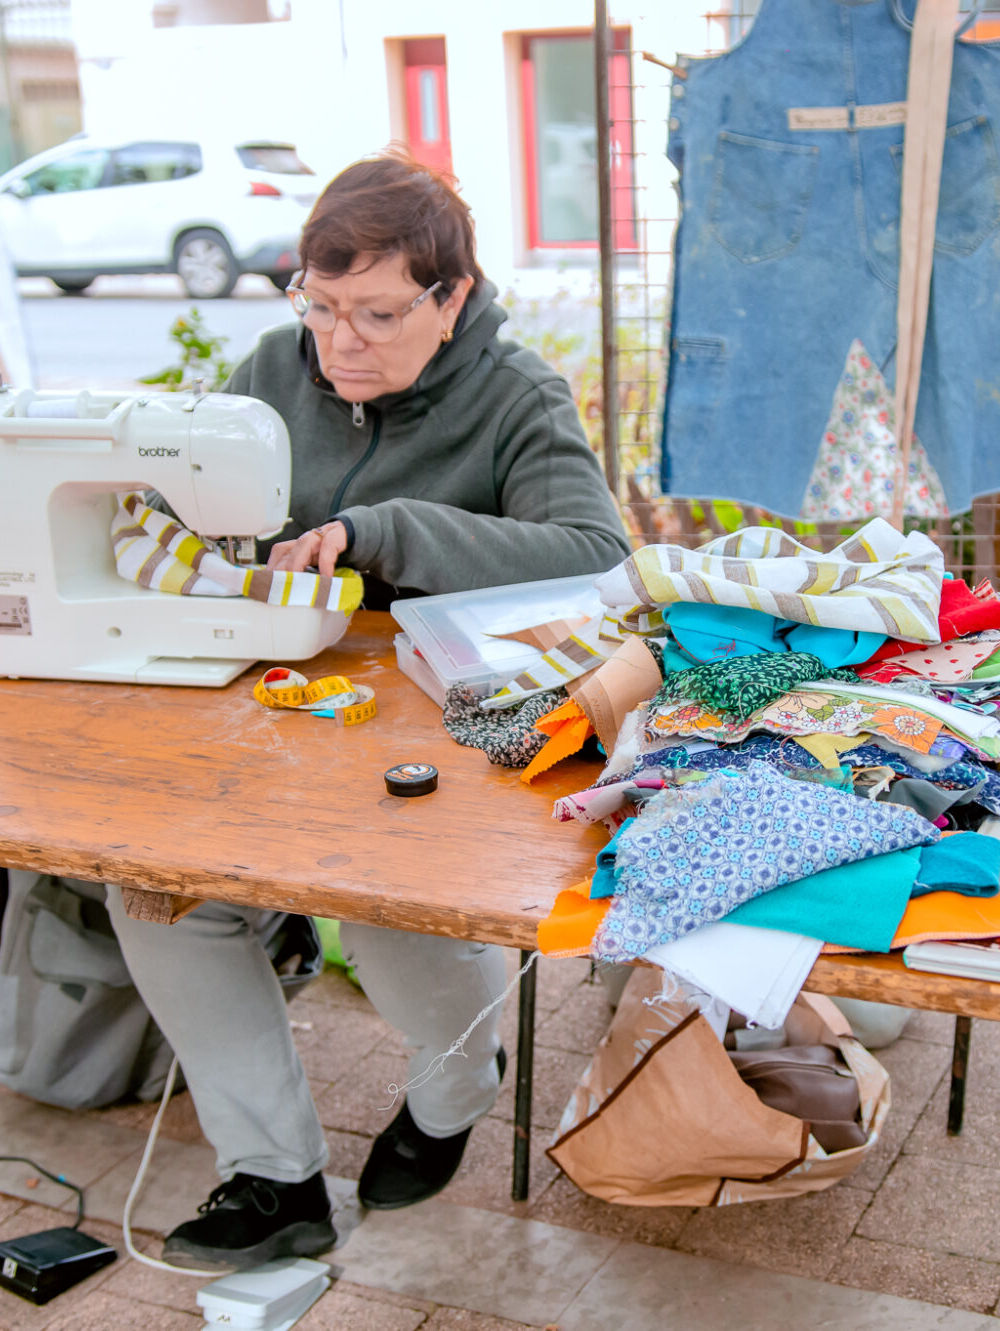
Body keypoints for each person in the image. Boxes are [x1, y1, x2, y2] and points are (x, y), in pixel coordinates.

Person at [109, 151, 630, 1272]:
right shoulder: (272, 366)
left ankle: (451, 1093)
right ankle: (273, 1174)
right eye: (320, 304)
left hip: (434, 732)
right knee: (150, 887)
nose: (338, 343)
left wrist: (391, 528)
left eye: (379, 313)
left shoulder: (516, 394)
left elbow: (596, 559)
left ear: (451, 299)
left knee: (389, 913)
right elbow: (183, 506)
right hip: (277, 709)